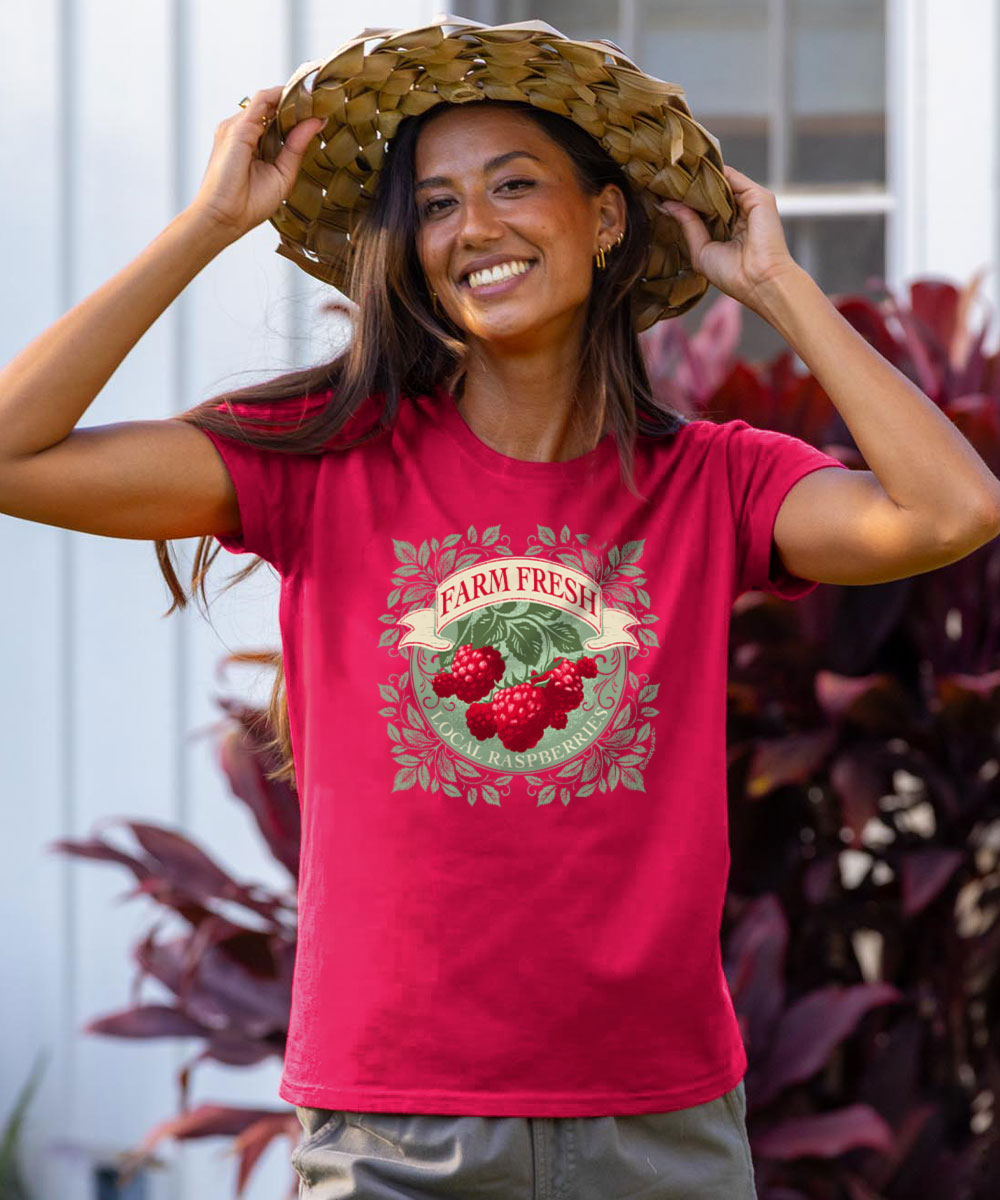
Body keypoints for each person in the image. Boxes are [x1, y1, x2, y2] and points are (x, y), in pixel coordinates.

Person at [2, 15, 999, 1200]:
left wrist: (776, 283)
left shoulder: (711, 481)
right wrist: (209, 224)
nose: (472, 227)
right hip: (394, 1125)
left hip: (656, 1122)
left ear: (607, 217)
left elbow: (950, 512)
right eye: (432, 204)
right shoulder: (326, 463)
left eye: (513, 184)